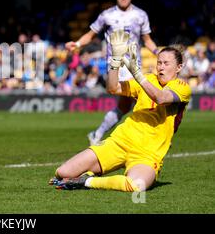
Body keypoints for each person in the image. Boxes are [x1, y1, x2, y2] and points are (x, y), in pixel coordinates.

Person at [50, 30, 191, 192]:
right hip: (121, 141)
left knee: (136, 185)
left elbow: (161, 98)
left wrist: (137, 73)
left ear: (179, 67)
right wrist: (115, 61)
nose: (161, 67)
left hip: (147, 155)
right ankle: (85, 175)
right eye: (159, 62)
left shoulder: (182, 87)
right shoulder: (148, 79)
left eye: (166, 64)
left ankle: (87, 181)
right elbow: (112, 87)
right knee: (62, 172)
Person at [65, 0, 158, 146]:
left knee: (124, 106)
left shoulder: (140, 15)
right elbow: (91, 34)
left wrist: (159, 53)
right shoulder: (107, 15)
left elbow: (147, 40)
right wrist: (77, 44)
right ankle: (143, 138)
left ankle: (97, 134)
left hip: (134, 65)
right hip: (116, 66)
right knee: (142, 99)